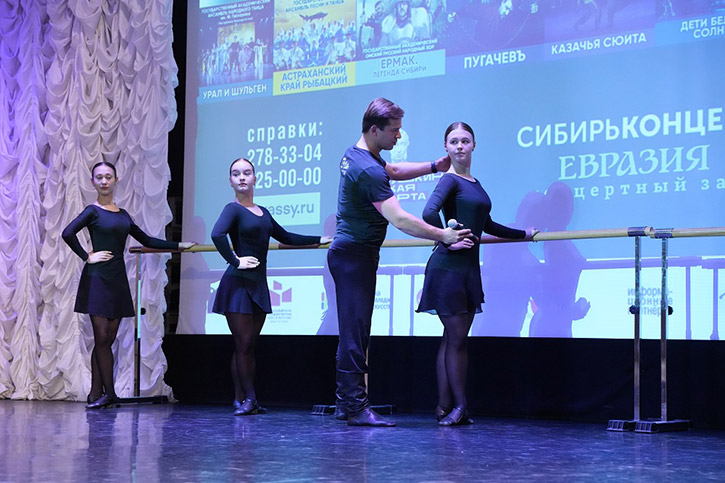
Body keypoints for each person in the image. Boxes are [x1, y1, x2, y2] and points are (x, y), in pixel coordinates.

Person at [328, 98, 471, 427]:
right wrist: (443, 235)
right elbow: (400, 219)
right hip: (354, 256)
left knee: (353, 332)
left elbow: (392, 171)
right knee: (355, 334)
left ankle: (345, 403)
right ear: (375, 130)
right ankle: (356, 407)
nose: (399, 136)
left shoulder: (359, 154)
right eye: (394, 131)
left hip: (353, 254)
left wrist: (434, 166)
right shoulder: (366, 169)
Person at [416, 122, 537, 426]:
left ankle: (444, 407)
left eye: (465, 141)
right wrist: (447, 238)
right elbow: (428, 213)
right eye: (454, 141)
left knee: (451, 340)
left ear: (473, 145)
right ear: (446, 147)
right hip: (448, 269)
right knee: (456, 341)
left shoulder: (474, 183)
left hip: (467, 270)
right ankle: (460, 407)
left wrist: (523, 234)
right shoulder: (449, 180)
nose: (460, 146)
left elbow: (488, 225)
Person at [62, 161, 196, 409]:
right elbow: (67, 233)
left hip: (117, 280)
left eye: (108, 177)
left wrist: (179, 246)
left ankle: (95, 393)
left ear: (116, 180)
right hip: (97, 279)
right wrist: (86, 256)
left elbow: (146, 240)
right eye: (99, 177)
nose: (104, 181)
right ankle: (110, 394)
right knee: (101, 337)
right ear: (93, 182)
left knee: (107, 341)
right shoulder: (92, 211)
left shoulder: (123, 215)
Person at [211, 158, 332, 416]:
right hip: (237, 284)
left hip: (257, 285)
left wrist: (319, 239)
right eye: (236, 174)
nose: (242, 177)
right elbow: (217, 235)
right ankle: (250, 399)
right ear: (230, 181)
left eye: (246, 173)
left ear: (255, 178)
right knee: (244, 344)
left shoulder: (263, 212)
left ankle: (240, 398)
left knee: (246, 346)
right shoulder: (232, 209)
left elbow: (285, 236)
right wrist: (236, 260)